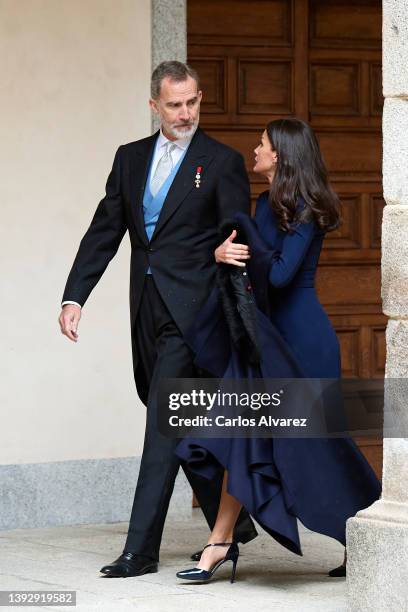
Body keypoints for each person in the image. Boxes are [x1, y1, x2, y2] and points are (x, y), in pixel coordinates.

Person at [58, 61, 258, 578]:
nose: (186, 112)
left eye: (193, 101)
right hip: (144, 311)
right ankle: (232, 525)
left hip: (196, 316)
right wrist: (75, 297)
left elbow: (238, 241)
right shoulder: (129, 159)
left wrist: (232, 308)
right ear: (155, 105)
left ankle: (140, 549)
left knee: (162, 425)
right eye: (175, 104)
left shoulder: (222, 162)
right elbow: (105, 231)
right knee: (183, 422)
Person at [175, 118, 381, 583]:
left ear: (281, 155)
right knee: (240, 434)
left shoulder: (307, 207)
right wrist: (221, 255)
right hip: (265, 340)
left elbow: (283, 274)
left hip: (304, 343)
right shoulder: (265, 202)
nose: (255, 150)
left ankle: (365, 539)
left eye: (262, 144)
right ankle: (220, 542)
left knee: (326, 450)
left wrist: (246, 232)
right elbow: (250, 260)